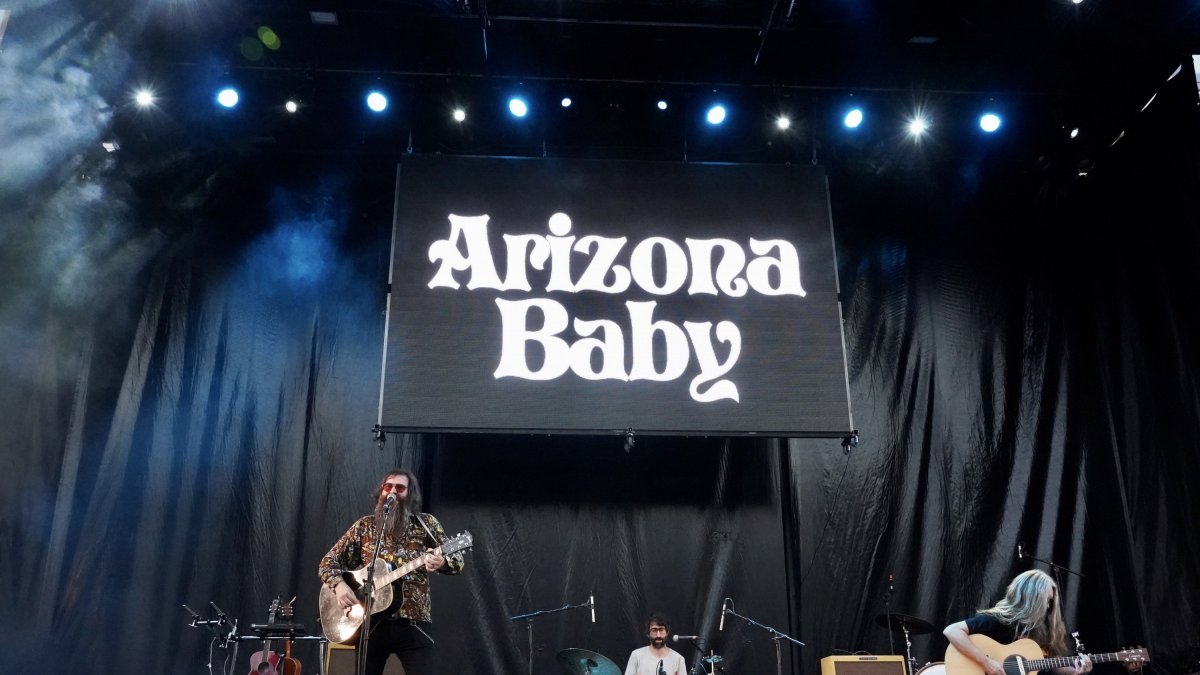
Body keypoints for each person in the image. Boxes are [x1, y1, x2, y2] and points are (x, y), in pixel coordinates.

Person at [318, 469, 465, 675]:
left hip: (414, 621)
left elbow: (457, 561)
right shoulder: (365, 526)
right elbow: (328, 562)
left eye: (400, 488)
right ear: (381, 492)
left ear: (410, 494)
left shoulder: (426, 523)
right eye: (388, 487)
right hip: (371, 622)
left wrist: (441, 562)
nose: (392, 492)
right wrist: (340, 585)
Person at [943, 570, 1093, 675]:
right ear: (1031, 600)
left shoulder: (1043, 631)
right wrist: (987, 664)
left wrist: (1076, 671)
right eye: (1046, 601)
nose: (1048, 606)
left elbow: (1052, 664)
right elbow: (952, 631)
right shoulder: (999, 620)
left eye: (1050, 602)